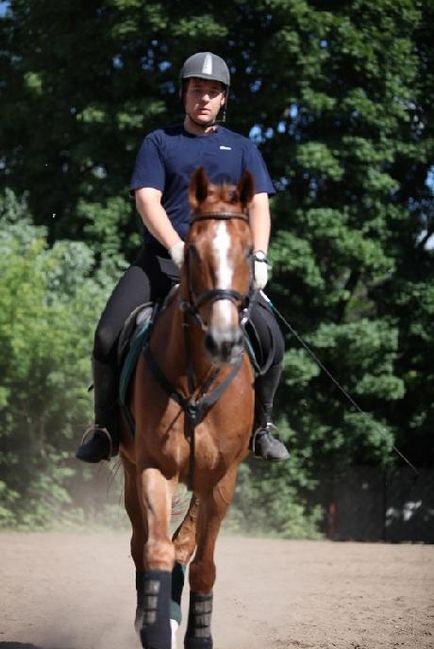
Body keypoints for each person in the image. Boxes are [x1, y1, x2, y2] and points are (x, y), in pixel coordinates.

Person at [76, 52, 289, 464]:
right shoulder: (159, 142)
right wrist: (176, 246)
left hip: (225, 269)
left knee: (272, 339)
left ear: (223, 99)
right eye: (197, 90)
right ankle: (105, 428)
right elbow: (147, 199)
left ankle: (261, 428)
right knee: (106, 336)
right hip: (162, 261)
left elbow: (259, 206)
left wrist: (259, 257)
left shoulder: (243, 148)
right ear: (183, 94)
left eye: (212, 92)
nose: (204, 99)